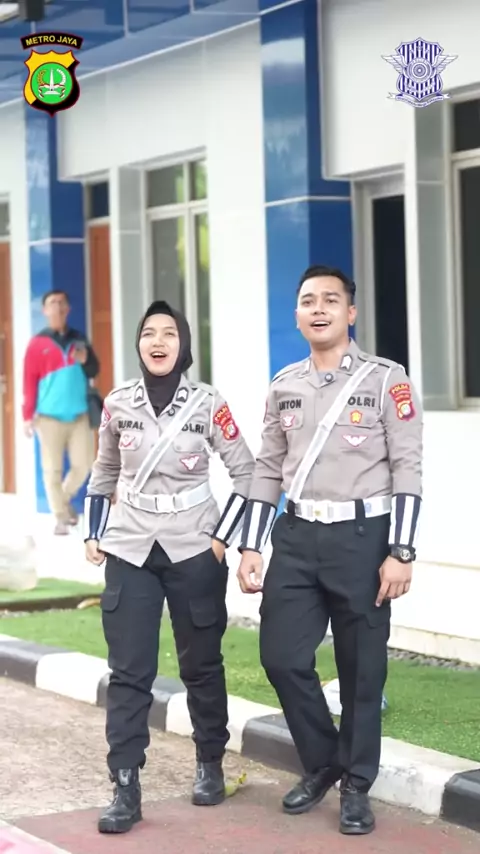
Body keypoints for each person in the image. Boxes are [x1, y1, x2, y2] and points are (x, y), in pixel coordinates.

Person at [237, 265, 422, 836]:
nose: (318, 309)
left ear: (351, 312)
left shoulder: (387, 380)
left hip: (363, 540)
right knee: (281, 656)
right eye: (308, 301)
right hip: (295, 537)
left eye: (330, 300)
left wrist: (402, 550)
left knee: (361, 669)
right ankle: (323, 762)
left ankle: (356, 787)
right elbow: (268, 469)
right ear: (297, 314)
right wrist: (251, 544)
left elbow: (407, 467)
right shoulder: (284, 384)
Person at [84, 300, 254, 835]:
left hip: (194, 546)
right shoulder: (118, 402)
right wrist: (94, 531)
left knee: (200, 663)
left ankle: (210, 761)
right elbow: (104, 471)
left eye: (169, 333)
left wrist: (223, 539)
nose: (158, 342)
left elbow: (247, 472)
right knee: (129, 671)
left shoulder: (209, 403)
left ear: (184, 344)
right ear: (138, 344)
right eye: (148, 333)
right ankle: (125, 785)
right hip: (131, 547)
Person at [22, 290, 100, 534]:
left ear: (68, 309)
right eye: (52, 303)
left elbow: (94, 370)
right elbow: (29, 381)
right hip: (49, 418)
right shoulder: (37, 344)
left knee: (84, 465)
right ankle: (60, 517)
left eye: (61, 303)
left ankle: (62, 502)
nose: (57, 307)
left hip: (79, 415)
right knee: (52, 470)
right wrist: (27, 416)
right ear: (45, 310)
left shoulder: (79, 339)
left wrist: (85, 359)